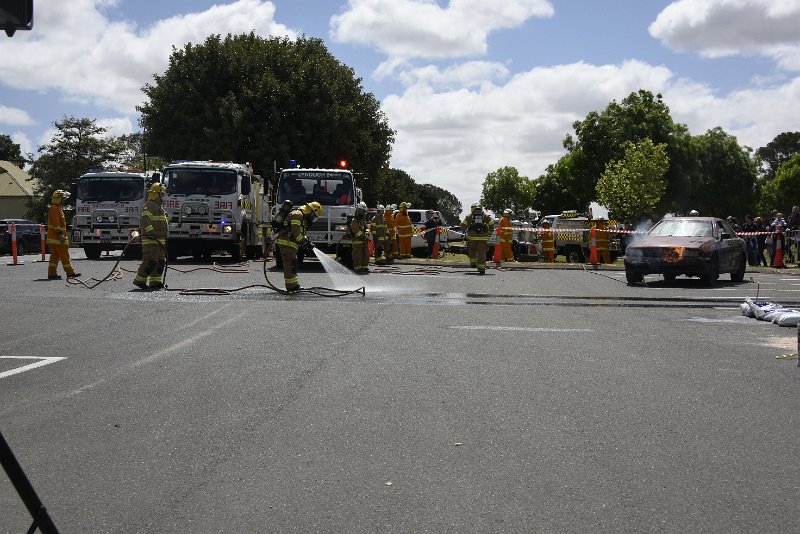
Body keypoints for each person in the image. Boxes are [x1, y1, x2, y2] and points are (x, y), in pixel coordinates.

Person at [275, 201, 323, 291]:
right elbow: (296, 233)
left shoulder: (302, 217)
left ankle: (294, 285)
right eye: (314, 216)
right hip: (287, 243)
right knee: (290, 264)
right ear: (311, 211)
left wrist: (307, 241)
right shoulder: (298, 215)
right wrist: (304, 242)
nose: (313, 219)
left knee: (292, 263)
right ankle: (291, 287)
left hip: (290, 243)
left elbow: (299, 232)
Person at [133, 183, 168, 289]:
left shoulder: (159, 207)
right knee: (150, 261)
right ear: (156, 194)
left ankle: (155, 282)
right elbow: (145, 219)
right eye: (161, 194)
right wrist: (150, 232)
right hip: (151, 240)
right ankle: (139, 280)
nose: (163, 197)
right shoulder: (150, 205)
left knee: (160, 262)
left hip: (160, 241)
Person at [46, 190, 80, 280]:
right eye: (62, 199)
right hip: (58, 238)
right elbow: (55, 223)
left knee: (55, 256)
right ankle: (70, 273)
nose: (63, 201)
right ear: (58, 199)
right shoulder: (54, 208)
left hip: (54, 238)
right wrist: (60, 234)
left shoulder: (57, 208)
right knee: (65, 256)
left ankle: (52, 273)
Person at [462, 203, 494, 274]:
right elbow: (492, 225)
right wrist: (489, 233)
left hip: (471, 238)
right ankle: (481, 268)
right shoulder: (485, 216)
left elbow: (463, 225)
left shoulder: (469, 216)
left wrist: (466, 231)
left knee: (472, 249)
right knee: (481, 253)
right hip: (483, 238)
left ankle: (473, 263)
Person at [349, 201, 370, 274]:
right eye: (362, 212)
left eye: (364, 212)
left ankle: (364, 268)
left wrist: (367, 233)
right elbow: (356, 231)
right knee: (358, 256)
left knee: (366, 255)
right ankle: (357, 269)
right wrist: (363, 236)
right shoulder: (354, 221)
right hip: (357, 243)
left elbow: (366, 228)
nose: (363, 214)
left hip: (364, 243)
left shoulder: (362, 221)